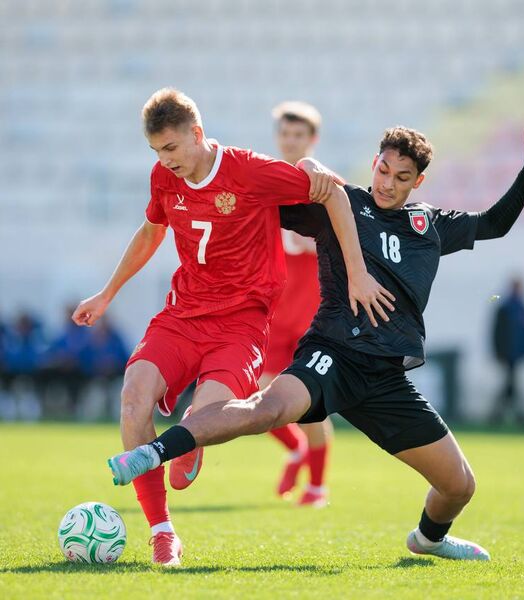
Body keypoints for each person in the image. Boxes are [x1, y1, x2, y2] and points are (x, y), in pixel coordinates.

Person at [108, 107, 524, 562]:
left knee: (459, 486)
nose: (387, 183)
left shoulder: (430, 225)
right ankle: (155, 452)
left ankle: (428, 540)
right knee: (268, 408)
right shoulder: (343, 205)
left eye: (401, 177)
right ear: (374, 162)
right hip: (333, 355)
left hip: (386, 377)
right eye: (383, 169)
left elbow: (494, 224)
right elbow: (259, 195)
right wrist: (306, 166)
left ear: (418, 182)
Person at [73, 88, 393, 566]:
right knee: (134, 394)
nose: (165, 160)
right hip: (183, 313)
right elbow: (152, 231)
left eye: (171, 148)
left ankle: (201, 438)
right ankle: (162, 532)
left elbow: (334, 194)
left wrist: (358, 272)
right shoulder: (164, 176)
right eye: (156, 151)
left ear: (197, 134)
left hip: (241, 324)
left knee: (207, 416)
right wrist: (107, 293)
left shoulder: (249, 171)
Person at [264, 101, 333, 507]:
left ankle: (317, 488)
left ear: (313, 139)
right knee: (258, 402)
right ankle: (296, 450)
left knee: (312, 408)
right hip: (273, 315)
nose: (291, 141)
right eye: (285, 134)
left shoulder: (325, 187)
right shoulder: (265, 182)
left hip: (312, 317)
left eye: (299, 135)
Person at [490, 277, 524, 426]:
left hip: (518, 354)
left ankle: (501, 415)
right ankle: (514, 415)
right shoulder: (505, 308)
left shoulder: (522, 308)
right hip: (508, 354)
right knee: (511, 385)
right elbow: (498, 332)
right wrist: (498, 352)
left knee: (511, 385)